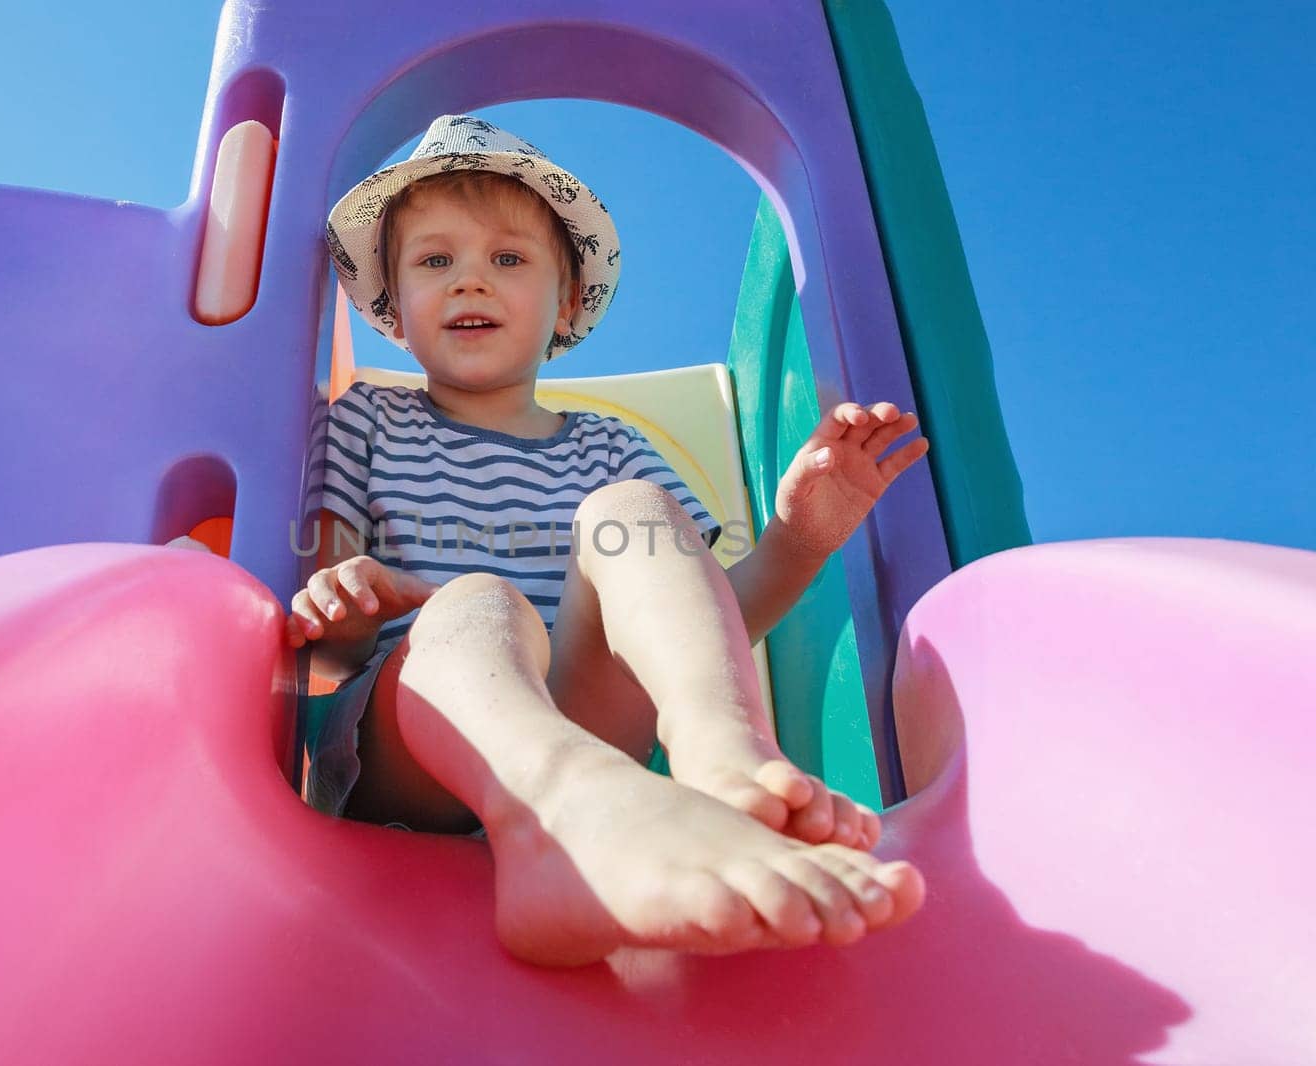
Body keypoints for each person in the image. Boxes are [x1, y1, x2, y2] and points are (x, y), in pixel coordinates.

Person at [289, 114, 928, 967]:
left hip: (592, 731)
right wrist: (351, 603)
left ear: (568, 301)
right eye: (435, 261)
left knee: (634, 508)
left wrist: (802, 536)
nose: (469, 282)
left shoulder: (609, 445)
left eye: (508, 259)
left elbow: (714, 613)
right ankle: (562, 816)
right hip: (422, 738)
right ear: (395, 310)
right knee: (480, 601)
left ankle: (721, 755)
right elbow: (327, 646)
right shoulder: (365, 420)